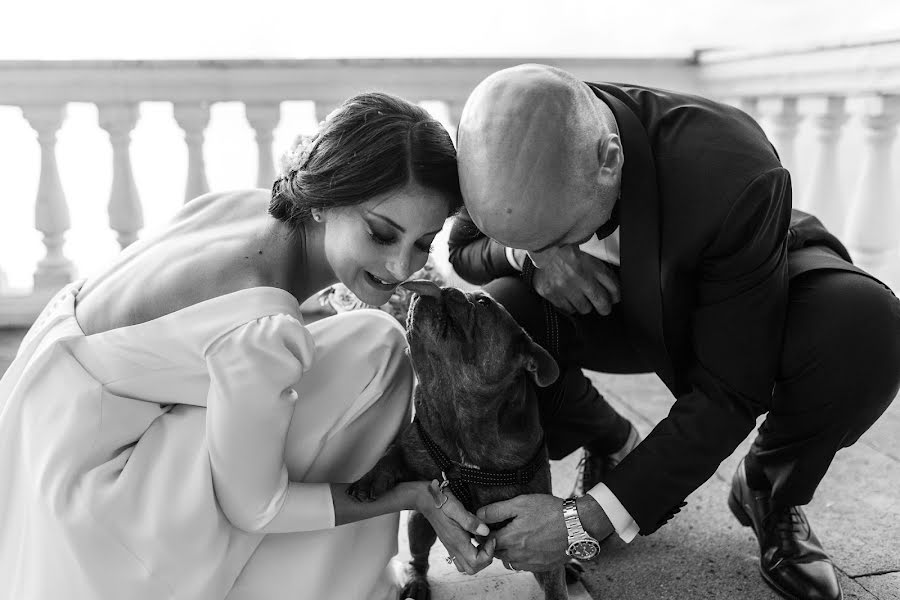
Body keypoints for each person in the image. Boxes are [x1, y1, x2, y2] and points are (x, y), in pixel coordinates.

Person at [0, 92, 495, 600]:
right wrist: (409, 494)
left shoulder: (240, 208)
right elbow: (257, 506)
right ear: (324, 198)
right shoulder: (262, 328)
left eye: (421, 243)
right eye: (380, 233)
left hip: (37, 437)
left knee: (353, 344)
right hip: (95, 519)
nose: (401, 267)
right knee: (380, 350)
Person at [449, 64, 900, 600]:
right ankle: (611, 441)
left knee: (867, 326)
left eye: (560, 234)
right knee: (496, 318)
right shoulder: (504, 153)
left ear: (608, 161)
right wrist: (532, 256)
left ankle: (770, 489)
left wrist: (584, 519)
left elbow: (728, 392)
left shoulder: (730, 170)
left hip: (738, 293)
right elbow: (463, 250)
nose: (553, 255)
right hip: (613, 309)